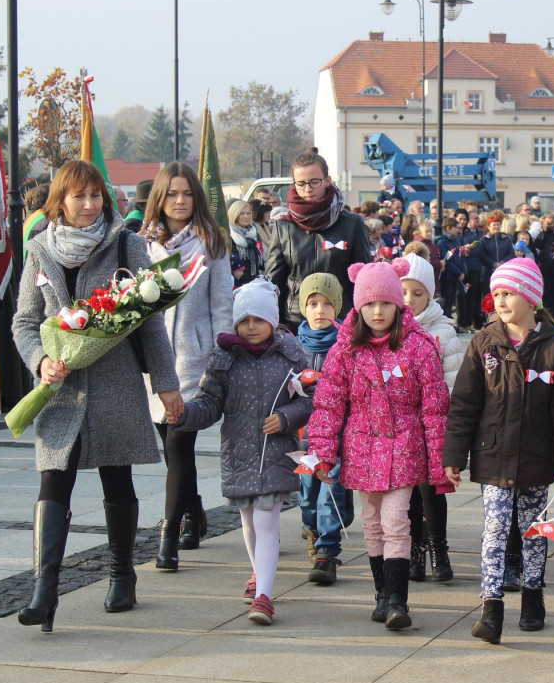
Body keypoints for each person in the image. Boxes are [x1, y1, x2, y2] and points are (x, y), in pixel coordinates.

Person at [12, 160, 183, 630]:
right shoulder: (40, 250)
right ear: (60, 202)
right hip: (59, 388)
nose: (89, 206)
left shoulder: (127, 245)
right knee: (53, 481)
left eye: (95, 197)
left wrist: (166, 384)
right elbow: (25, 321)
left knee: (117, 478)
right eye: (78, 197)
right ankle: (44, 590)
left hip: (115, 386)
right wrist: (40, 361)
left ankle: (121, 575)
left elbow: (149, 322)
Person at [443, 258, 554, 644]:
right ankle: (491, 608)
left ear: (531, 298)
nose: (500, 301)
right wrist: (454, 456)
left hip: (536, 458)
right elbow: (465, 404)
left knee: (533, 531)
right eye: (497, 294)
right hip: (493, 456)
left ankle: (533, 595)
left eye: (509, 293)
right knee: (494, 529)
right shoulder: (483, 342)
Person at [307, 262, 450, 630]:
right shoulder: (345, 352)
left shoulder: (419, 348)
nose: (377, 312)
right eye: (369, 305)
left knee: (395, 522)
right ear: (358, 309)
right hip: (361, 450)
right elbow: (328, 405)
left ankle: (399, 600)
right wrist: (321, 453)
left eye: (385, 304)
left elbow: (435, 408)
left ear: (398, 306)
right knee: (372, 524)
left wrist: (440, 462)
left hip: (404, 448)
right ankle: (382, 594)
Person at [171, 279, 312, 625]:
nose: (251, 327)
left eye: (258, 320)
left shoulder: (290, 354)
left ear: (272, 321)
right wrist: (186, 415)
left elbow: (311, 398)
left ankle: (264, 595)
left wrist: (285, 417)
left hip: (276, 451)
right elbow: (210, 402)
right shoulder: (225, 359)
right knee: (248, 519)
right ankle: (257, 572)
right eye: (245, 320)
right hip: (239, 450)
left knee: (267, 519)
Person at [143, 162, 233, 572]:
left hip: (195, 360)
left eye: (187, 194)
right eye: (172, 194)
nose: (180, 201)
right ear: (159, 198)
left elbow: (221, 306)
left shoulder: (212, 242)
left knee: (180, 442)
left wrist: (220, 358)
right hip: (153, 361)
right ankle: (195, 512)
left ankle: (169, 535)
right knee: (171, 448)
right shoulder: (141, 244)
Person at [396, 253, 464, 582]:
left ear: (430, 294)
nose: (409, 301)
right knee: (407, 492)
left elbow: (454, 377)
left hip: (434, 424)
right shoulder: (389, 328)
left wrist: (448, 420)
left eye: (417, 293)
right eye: (403, 292)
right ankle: (414, 550)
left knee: (431, 490)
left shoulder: (442, 331)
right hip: (401, 426)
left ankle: (439, 547)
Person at [266, 147, 372, 332]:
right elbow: (273, 283)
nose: (307, 189)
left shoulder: (352, 223)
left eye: (314, 181)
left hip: (341, 323)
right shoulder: (283, 227)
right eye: (301, 183)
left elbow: (363, 278)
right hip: (295, 324)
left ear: (327, 180)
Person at [295, 273, 353, 585]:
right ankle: (311, 528)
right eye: (313, 303)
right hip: (304, 434)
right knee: (307, 494)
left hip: (338, 431)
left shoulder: (347, 344)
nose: (320, 310)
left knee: (330, 489)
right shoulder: (291, 346)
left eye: (328, 304)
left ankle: (327, 551)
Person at [226, 199, 264, 287]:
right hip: (237, 283)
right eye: (242, 213)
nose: (246, 216)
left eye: (248, 213)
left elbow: (260, 257)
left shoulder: (255, 233)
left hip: (254, 281)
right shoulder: (229, 234)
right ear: (234, 215)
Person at [436, 215, 466, 321]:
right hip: (448, 276)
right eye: (455, 227)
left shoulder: (456, 240)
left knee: (451, 300)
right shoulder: (442, 241)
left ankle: (449, 321)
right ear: (448, 228)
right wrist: (458, 273)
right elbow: (447, 261)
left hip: (455, 276)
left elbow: (460, 256)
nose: (457, 230)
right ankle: (445, 321)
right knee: (446, 300)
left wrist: (463, 271)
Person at [478, 214, 515, 291]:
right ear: (488, 226)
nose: (496, 227)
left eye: (498, 224)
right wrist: (493, 264)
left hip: (504, 272)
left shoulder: (506, 239)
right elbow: (482, 255)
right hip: (488, 272)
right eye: (494, 225)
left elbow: (511, 253)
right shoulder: (484, 240)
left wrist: (502, 262)